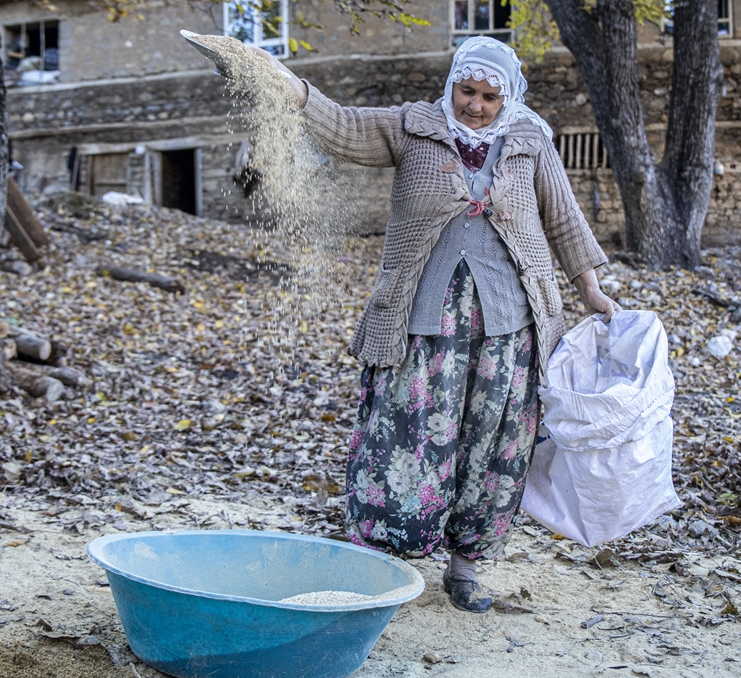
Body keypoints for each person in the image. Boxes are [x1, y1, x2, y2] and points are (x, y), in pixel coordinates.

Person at [260, 36, 618, 613]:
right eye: (467, 90)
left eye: (488, 96)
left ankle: (466, 569)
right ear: (451, 84)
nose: (475, 105)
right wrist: (291, 88)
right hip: (423, 322)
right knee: (407, 434)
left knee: (494, 443)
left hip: (509, 324)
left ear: (508, 97)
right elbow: (344, 127)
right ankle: (386, 565)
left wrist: (591, 288)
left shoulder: (530, 140)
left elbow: (564, 217)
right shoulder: (413, 127)